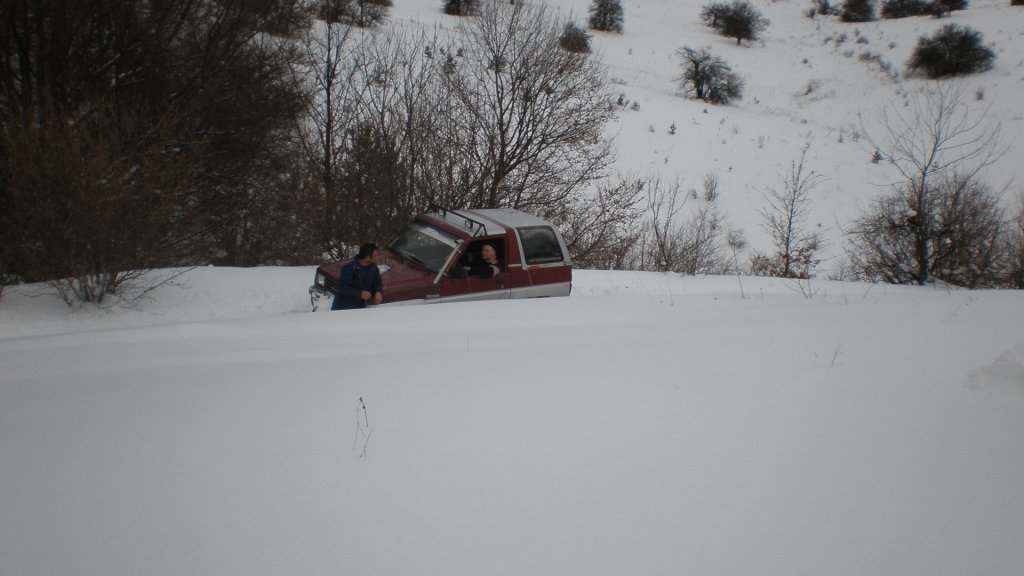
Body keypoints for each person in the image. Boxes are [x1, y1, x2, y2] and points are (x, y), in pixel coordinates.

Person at [331, 242, 384, 311]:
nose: (378, 258)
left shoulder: (373, 267)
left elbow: (377, 282)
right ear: (368, 257)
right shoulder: (348, 268)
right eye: (375, 256)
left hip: (360, 308)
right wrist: (359, 294)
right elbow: (343, 288)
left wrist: (378, 291)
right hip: (343, 309)